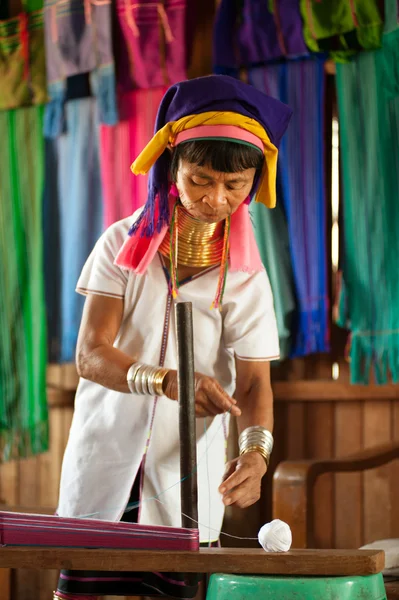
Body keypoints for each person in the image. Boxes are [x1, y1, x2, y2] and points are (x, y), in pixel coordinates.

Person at [54, 74, 292, 600]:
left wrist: (255, 455)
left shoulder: (247, 274)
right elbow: (91, 355)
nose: (217, 199)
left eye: (235, 185)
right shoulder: (121, 243)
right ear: (170, 168)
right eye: (200, 179)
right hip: (106, 456)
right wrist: (164, 380)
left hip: (186, 472)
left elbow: (253, 385)